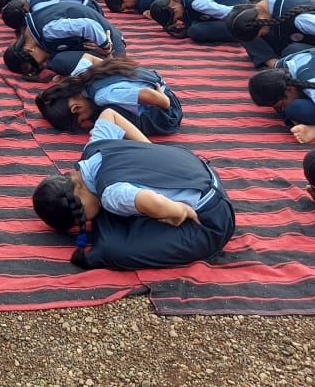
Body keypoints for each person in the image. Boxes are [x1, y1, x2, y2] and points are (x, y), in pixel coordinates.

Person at [31, 108, 234, 270]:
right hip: (197, 168)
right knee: (113, 215)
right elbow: (110, 115)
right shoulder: (92, 150)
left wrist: (177, 211)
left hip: (211, 217)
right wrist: (149, 149)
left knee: (114, 249)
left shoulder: (111, 194)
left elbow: (151, 202)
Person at [34, 57, 183, 137]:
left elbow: (153, 97)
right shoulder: (79, 79)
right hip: (150, 83)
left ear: (76, 108)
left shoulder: (103, 96)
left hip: (167, 112)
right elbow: (89, 58)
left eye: (82, 120)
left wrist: (163, 99)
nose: (85, 122)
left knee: (105, 116)